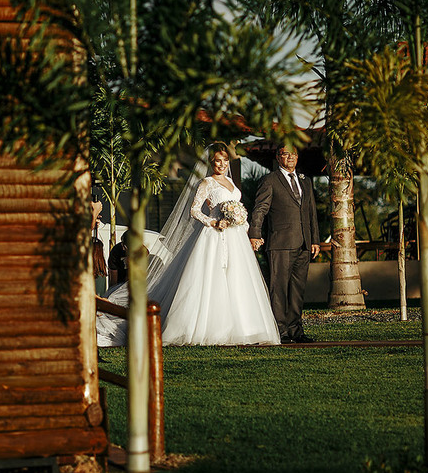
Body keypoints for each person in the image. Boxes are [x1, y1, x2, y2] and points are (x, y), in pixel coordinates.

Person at [97, 147, 280, 347]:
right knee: (212, 278)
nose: (222, 164)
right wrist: (213, 222)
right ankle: (208, 328)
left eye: (225, 160)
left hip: (235, 238)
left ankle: (244, 328)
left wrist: (247, 231)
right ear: (211, 162)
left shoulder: (231, 182)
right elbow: (195, 210)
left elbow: (240, 212)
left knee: (237, 278)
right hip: (214, 235)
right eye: (218, 160)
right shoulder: (207, 182)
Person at [248, 146, 320, 344]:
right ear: (278, 157)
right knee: (278, 289)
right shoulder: (270, 181)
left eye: (293, 154)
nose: (290, 157)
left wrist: (315, 239)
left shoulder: (305, 181)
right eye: (286, 154)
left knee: (297, 290)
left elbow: (311, 212)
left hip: (304, 243)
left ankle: (296, 330)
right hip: (280, 243)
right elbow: (260, 209)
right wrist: (254, 233)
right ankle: (280, 332)